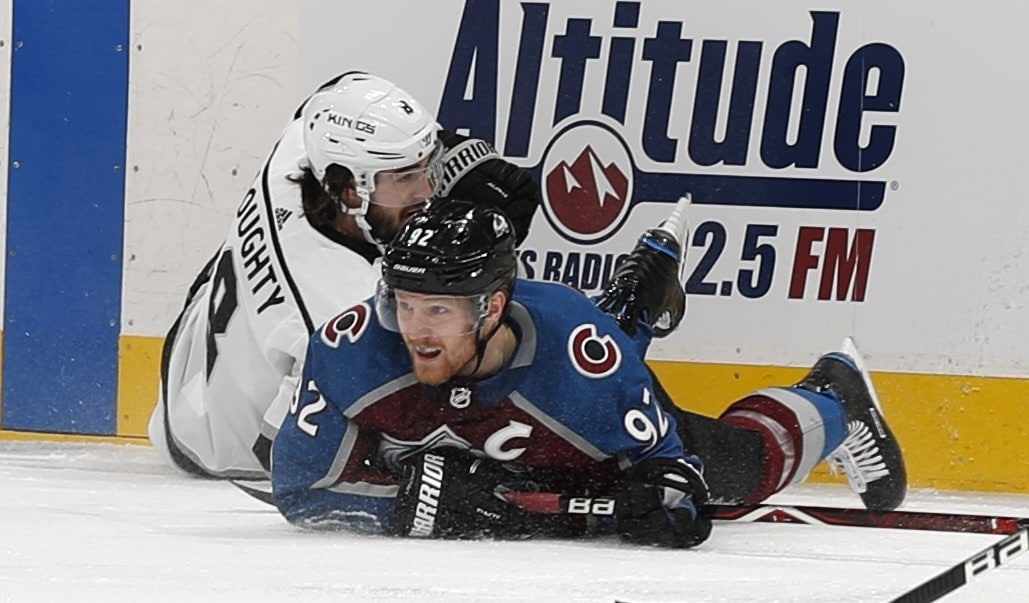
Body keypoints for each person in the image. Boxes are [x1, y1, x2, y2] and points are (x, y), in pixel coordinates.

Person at [270, 199, 907, 547]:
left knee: (735, 471)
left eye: (437, 309)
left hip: (575, 397)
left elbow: (675, 487)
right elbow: (301, 491)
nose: (415, 329)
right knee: (598, 345)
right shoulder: (351, 351)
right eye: (405, 305)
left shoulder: (582, 367)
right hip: (556, 375)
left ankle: (834, 396)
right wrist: (403, 505)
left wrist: (660, 504)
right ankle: (635, 299)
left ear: (491, 305)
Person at [150, 72, 540, 478]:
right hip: (222, 445)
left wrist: (452, 152)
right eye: (405, 176)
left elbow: (340, 87)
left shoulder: (299, 149)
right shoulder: (338, 315)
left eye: (428, 167)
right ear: (350, 189)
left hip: (197, 350)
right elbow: (286, 454)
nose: (427, 191)